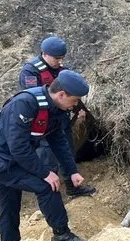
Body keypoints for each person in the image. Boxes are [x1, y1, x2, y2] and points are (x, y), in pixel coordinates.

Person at [0, 70, 91, 241]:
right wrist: (45, 173)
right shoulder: (25, 103)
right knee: (47, 186)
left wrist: (72, 171)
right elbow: (18, 148)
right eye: (75, 100)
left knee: (9, 204)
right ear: (61, 95)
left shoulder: (55, 110)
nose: (76, 104)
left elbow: (59, 141)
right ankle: (63, 236)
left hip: (10, 159)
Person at [19, 36, 96, 197]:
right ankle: (47, 191)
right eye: (56, 58)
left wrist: (79, 111)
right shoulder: (31, 71)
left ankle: (72, 187)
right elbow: (33, 97)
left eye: (62, 58)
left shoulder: (62, 70)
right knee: (47, 155)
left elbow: (72, 94)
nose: (59, 62)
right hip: (43, 121)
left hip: (61, 119)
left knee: (66, 150)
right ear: (44, 54)